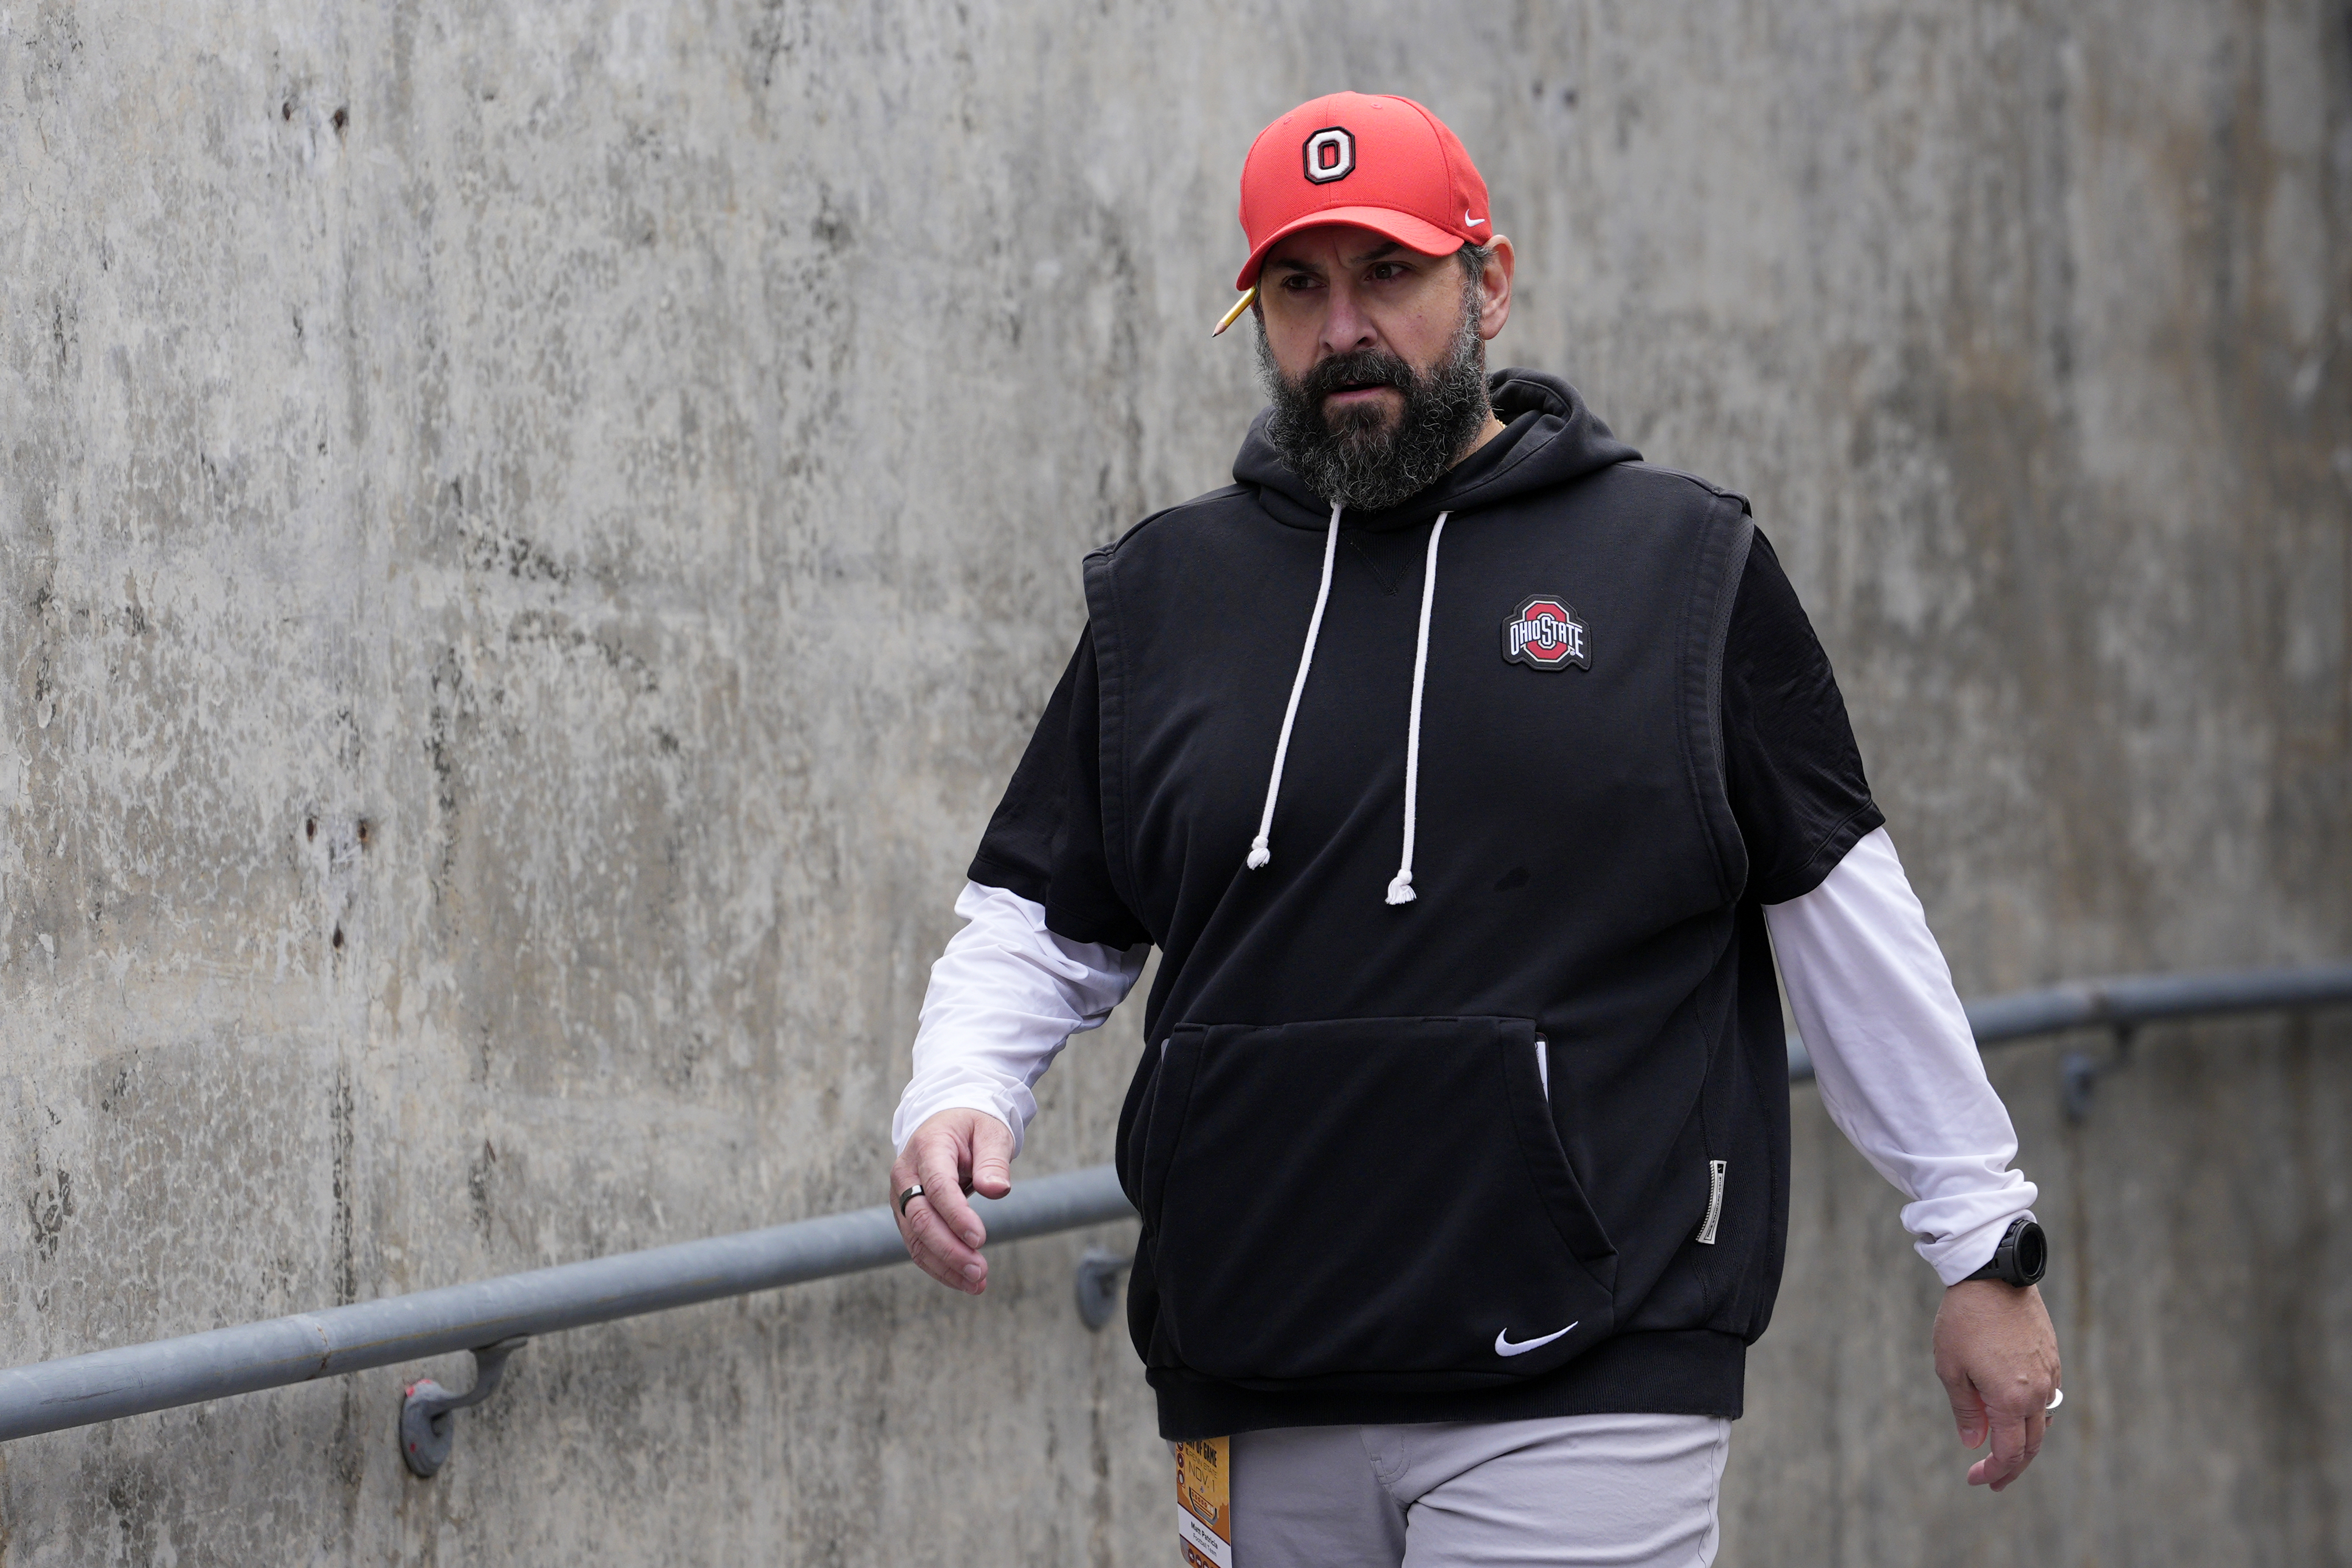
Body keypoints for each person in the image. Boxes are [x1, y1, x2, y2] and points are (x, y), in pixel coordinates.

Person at [889, 92, 2061, 1566]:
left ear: (1487, 281)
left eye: (1389, 275)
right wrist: (954, 1089)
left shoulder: (1678, 571)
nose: (1343, 328)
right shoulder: (1165, 596)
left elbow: (1844, 916)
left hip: (1590, 1370)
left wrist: (1982, 1243)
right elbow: (1040, 914)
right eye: (1298, 288)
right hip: (1254, 1373)